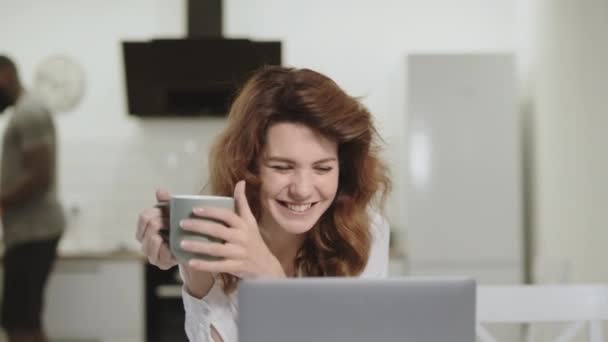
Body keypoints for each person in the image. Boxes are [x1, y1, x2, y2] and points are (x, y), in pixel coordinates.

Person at [136, 65, 391, 342]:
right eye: (282, 167)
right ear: (249, 165)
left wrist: (269, 279)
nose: (303, 190)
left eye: (323, 168)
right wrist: (196, 273)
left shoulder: (365, 232)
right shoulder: (220, 232)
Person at [0, 55, 66, 342]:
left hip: (34, 233)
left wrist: (2, 200)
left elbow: (40, 174)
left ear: (4, 76)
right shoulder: (26, 112)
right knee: (21, 318)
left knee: (22, 321)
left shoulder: (29, 113)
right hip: (28, 233)